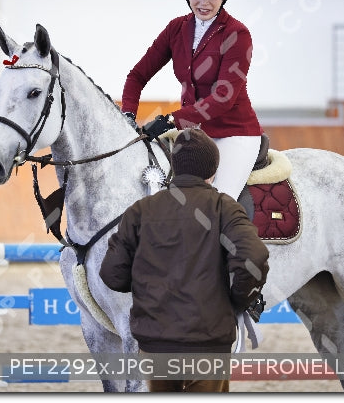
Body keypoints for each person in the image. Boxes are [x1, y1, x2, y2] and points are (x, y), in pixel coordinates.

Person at [99, 128, 270, 392]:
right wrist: (237, 300)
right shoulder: (225, 207)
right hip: (209, 344)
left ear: (175, 168)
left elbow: (112, 274)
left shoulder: (140, 210)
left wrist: (148, 291)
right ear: (213, 171)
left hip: (155, 345)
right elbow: (254, 258)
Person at [121, 0, 264, 201]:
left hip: (234, 134)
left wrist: (172, 120)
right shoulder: (176, 28)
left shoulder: (237, 34)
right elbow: (137, 76)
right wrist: (128, 116)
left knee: (216, 202)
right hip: (195, 134)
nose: (203, 3)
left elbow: (223, 97)